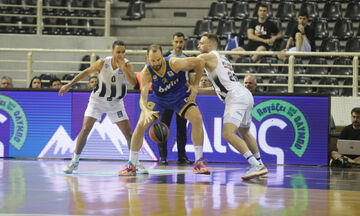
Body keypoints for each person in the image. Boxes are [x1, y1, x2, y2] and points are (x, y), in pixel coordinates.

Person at [118, 44, 210, 176]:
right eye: (152, 60)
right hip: (159, 99)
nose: (155, 63)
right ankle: (131, 165)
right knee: (140, 125)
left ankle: (199, 162)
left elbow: (200, 61)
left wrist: (195, 85)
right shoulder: (146, 72)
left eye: (158, 60)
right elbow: (142, 99)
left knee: (197, 118)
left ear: (162, 57)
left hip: (179, 97)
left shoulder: (174, 63)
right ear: (147, 59)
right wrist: (146, 111)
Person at [58, 40, 143, 174]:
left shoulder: (127, 65)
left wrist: (124, 69)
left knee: (128, 133)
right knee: (85, 128)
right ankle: (74, 161)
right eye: (118, 52)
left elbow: (134, 83)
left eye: (123, 52)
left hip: (116, 103)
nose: (120, 54)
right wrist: (69, 84)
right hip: (98, 101)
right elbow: (86, 72)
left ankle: (135, 163)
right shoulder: (103, 62)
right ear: (113, 52)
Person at [197, 33, 267, 180]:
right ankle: (261, 164)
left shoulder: (208, 56)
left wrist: (172, 63)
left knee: (228, 134)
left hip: (235, 97)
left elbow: (192, 62)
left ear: (210, 46)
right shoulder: (222, 58)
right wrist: (195, 90)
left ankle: (255, 165)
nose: (198, 46)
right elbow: (218, 88)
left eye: (201, 43)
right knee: (245, 132)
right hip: (244, 94)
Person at [158, 32, 193, 166]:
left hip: (182, 98)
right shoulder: (165, 57)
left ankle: (182, 156)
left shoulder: (187, 59)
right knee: (163, 128)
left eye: (181, 42)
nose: (178, 44)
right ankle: (163, 157)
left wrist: (192, 87)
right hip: (167, 97)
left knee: (182, 128)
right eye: (176, 42)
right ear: (172, 42)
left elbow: (191, 77)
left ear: (184, 42)